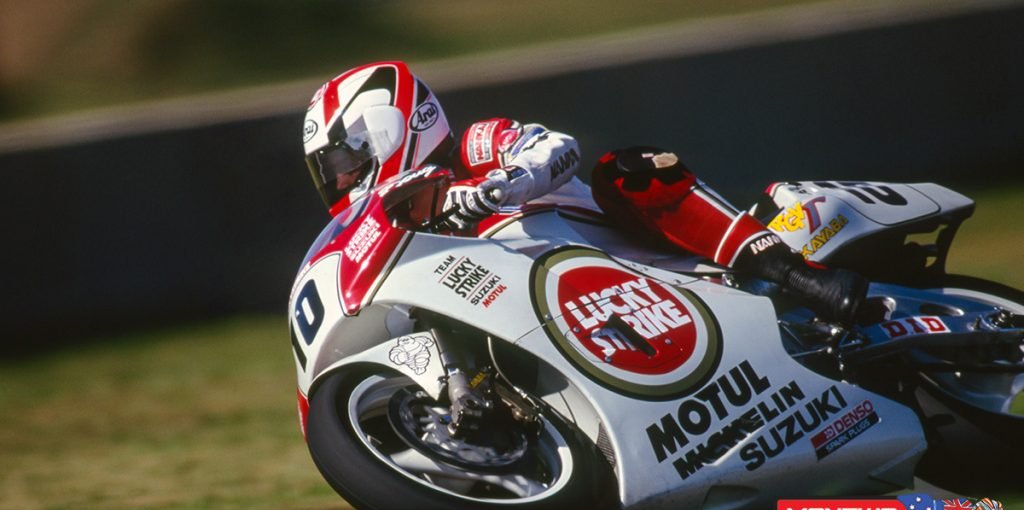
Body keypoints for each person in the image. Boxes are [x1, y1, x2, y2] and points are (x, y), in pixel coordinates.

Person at [302, 61, 866, 325]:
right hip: (595, 320)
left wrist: (497, 188)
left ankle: (800, 277)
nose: (343, 182)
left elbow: (556, 148)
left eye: (345, 163)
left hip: (663, 267)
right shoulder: (405, 239)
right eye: (330, 173)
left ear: (388, 128)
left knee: (626, 169)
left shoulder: (474, 148)